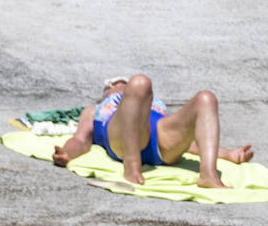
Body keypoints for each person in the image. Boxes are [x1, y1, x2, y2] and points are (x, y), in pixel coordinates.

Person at [51, 74, 254, 188]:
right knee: (140, 83)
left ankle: (208, 174)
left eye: (123, 82)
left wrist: (228, 154)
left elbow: (191, 143)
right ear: (106, 93)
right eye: (113, 84)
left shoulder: (155, 103)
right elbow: (81, 139)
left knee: (206, 98)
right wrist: (67, 153)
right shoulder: (97, 109)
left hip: (159, 140)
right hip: (122, 138)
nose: (119, 84)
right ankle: (132, 164)